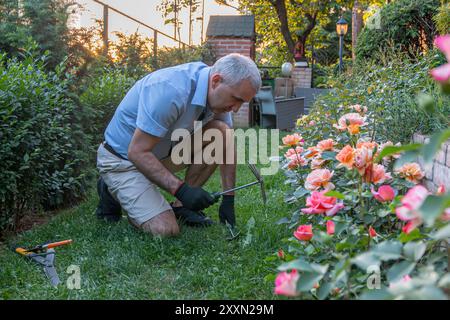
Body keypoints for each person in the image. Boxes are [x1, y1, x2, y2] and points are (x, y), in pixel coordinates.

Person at [95, 53, 262, 237]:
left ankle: (182, 208)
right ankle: (110, 188)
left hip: (161, 154)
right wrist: (182, 190)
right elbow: (137, 152)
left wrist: (228, 199)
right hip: (124, 160)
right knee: (166, 230)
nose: (236, 108)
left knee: (221, 132)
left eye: (242, 102)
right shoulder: (171, 90)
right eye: (236, 99)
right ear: (216, 81)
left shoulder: (217, 97)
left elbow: (226, 144)